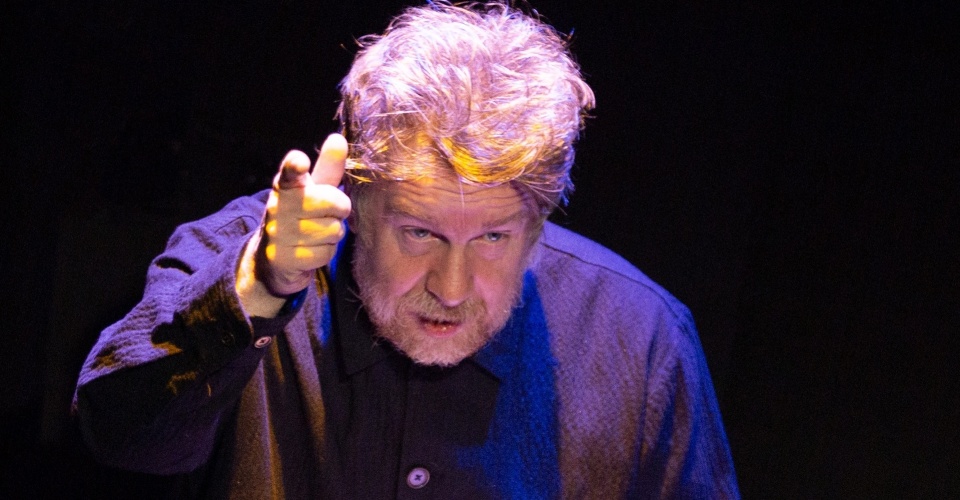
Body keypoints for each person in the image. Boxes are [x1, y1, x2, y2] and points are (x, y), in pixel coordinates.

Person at [74, 1, 739, 498]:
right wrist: (258, 288)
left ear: (537, 225)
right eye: (420, 233)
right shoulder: (252, 251)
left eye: (493, 239)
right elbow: (120, 434)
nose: (451, 287)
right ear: (360, 200)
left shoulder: (642, 336)